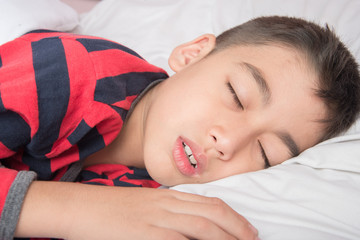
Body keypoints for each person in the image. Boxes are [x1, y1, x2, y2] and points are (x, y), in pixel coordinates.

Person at [0, 15, 359, 239]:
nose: (228, 142)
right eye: (236, 95)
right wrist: (79, 210)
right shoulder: (68, 71)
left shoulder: (159, 193)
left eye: (265, 153)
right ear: (192, 55)